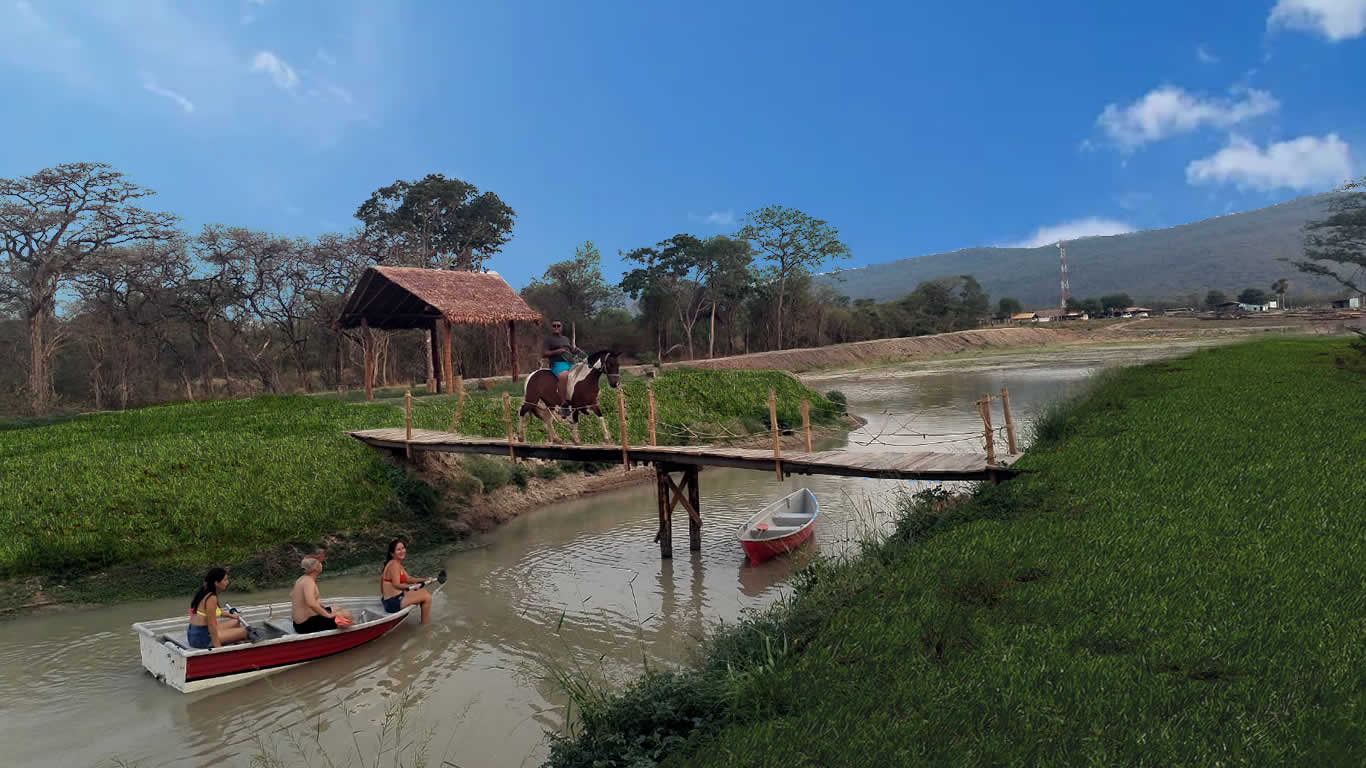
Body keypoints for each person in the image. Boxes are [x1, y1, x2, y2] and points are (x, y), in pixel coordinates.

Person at [187, 567, 248, 649]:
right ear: (216, 583)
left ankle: (232, 639)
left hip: (194, 633)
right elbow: (212, 625)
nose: (227, 582)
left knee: (236, 622)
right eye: (225, 580)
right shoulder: (211, 598)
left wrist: (232, 616)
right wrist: (218, 648)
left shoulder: (205, 590)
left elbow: (216, 611)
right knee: (245, 631)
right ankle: (232, 642)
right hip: (201, 638)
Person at [290, 554, 353, 633]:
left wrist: (318, 605)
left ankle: (340, 625)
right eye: (320, 563)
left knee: (336, 608)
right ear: (316, 568)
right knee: (347, 614)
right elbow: (311, 603)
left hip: (298, 623)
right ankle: (349, 633)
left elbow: (292, 595)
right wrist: (328, 615)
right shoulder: (309, 582)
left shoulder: (301, 579)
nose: (321, 565)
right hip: (305, 625)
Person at [380, 539, 435, 624]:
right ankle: (425, 625)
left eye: (403, 548)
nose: (402, 551)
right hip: (392, 603)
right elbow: (396, 584)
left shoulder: (396, 563)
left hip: (391, 600)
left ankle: (424, 620)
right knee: (427, 597)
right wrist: (411, 587)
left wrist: (425, 579)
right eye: (398, 549)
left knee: (423, 591)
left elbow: (408, 579)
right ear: (392, 553)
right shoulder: (394, 564)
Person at [542, 320, 583, 405]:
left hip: (570, 362)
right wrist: (557, 351)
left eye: (558, 325)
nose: (556, 327)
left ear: (561, 327)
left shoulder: (565, 339)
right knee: (564, 376)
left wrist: (575, 351)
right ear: (551, 328)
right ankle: (563, 402)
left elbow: (571, 351)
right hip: (557, 364)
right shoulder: (548, 339)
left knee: (582, 373)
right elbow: (544, 354)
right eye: (554, 326)